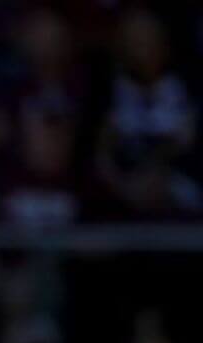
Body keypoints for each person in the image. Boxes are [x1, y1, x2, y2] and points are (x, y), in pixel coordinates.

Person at [96, 8, 199, 217]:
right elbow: (101, 153)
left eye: (150, 36)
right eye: (136, 38)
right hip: (121, 196)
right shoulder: (107, 89)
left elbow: (188, 141)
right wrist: (125, 187)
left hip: (181, 195)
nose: (144, 46)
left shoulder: (190, 86)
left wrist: (160, 173)